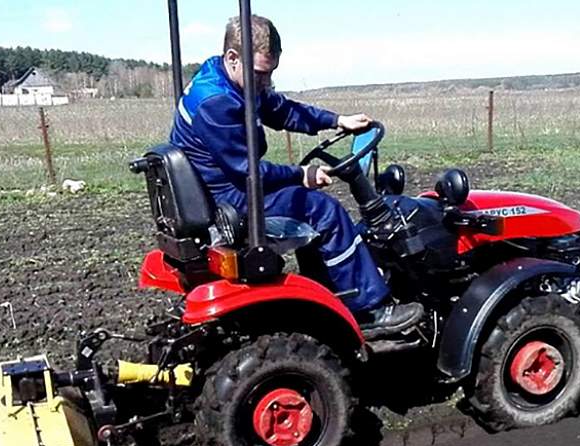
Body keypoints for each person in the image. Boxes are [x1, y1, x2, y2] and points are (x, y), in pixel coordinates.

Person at [169, 14, 422, 338]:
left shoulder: (223, 79)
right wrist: (301, 175)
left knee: (310, 207)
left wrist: (337, 120)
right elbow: (248, 173)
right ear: (233, 57)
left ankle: (328, 294)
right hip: (226, 199)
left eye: (270, 73)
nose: (265, 82)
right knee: (323, 210)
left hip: (217, 190)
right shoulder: (216, 103)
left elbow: (281, 109)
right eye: (261, 73)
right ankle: (369, 309)